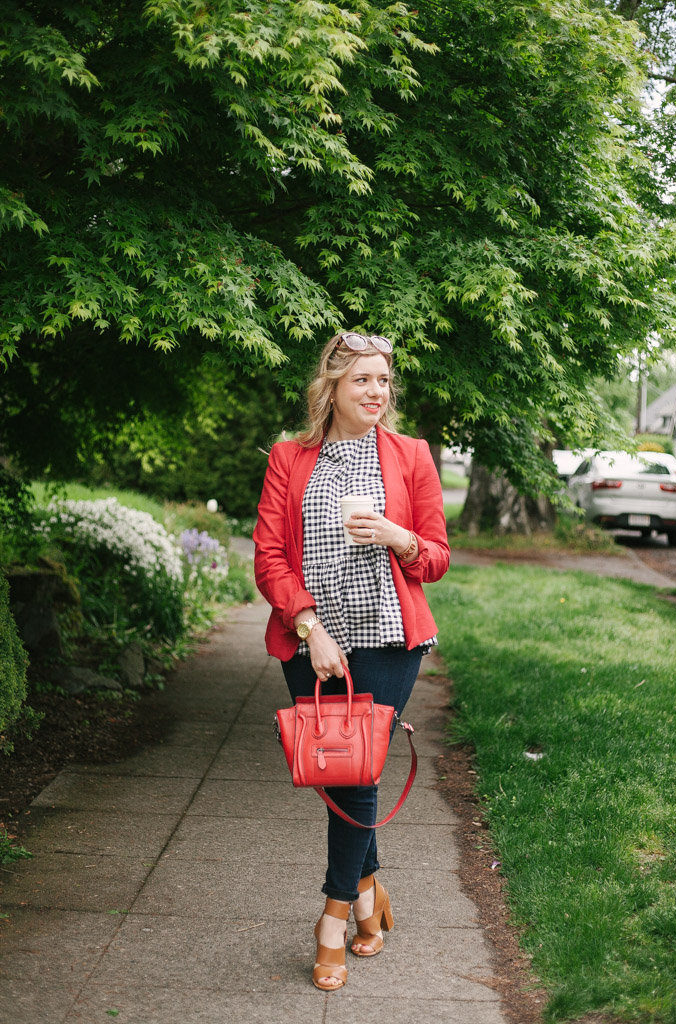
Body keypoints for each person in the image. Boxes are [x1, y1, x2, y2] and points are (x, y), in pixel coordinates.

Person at [253, 331, 450, 991]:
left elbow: (437, 558)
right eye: (362, 379)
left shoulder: (410, 455)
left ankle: (333, 919)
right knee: (336, 774)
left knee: (357, 774)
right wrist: (309, 627)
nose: (376, 392)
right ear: (332, 386)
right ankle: (369, 895)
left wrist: (399, 537)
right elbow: (269, 558)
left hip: (390, 637)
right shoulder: (289, 457)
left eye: (384, 380)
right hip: (315, 640)